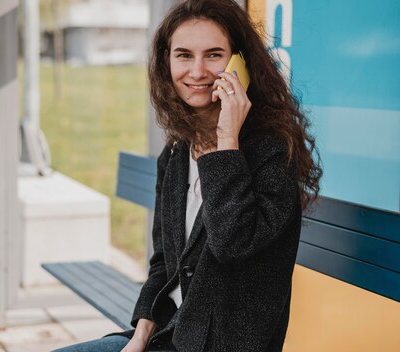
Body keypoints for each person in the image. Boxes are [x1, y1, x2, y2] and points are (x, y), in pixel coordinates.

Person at [53, 0, 322, 351]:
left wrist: (227, 142)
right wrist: (139, 337)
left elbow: (233, 245)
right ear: (167, 62)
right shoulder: (178, 154)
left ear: (240, 63)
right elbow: (163, 261)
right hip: (170, 335)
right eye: (183, 55)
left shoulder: (272, 152)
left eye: (213, 55)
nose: (197, 71)